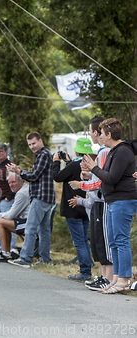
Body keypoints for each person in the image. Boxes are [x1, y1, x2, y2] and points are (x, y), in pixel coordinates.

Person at [81, 118, 137, 294]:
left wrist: (94, 168)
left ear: (109, 134)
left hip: (122, 200)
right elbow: (106, 175)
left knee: (121, 240)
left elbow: (112, 177)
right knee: (112, 241)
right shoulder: (114, 151)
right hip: (112, 200)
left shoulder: (122, 152)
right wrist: (93, 171)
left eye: (102, 133)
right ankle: (115, 278)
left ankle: (124, 280)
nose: (100, 137)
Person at [68, 116, 113, 291]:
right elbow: (97, 176)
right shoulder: (103, 152)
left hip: (101, 202)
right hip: (96, 202)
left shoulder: (103, 152)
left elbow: (100, 181)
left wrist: (80, 184)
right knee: (97, 243)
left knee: (104, 242)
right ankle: (103, 276)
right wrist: (88, 176)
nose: (96, 136)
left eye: (96, 133)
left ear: (98, 133)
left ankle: (107, 278)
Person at [7, 131, 56, 268]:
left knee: (31, 228)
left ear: (40, 141)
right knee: (44, 230)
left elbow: (34, 176)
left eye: (34, 143)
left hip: (40, 197)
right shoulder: (46, 154)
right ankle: (45, 259)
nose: (32, 147)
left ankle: (25, 258)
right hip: (48, 197)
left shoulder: (43, 155)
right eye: (29, 144)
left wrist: (19, 171)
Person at [52, 138, 92, 280]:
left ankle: (85, 271)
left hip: (72, 206)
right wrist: (68, 162)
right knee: (83, 239)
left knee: (79, 241)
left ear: (76, 150)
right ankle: (87, 267)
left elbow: (57, 177)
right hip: (85, 206)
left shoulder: (75, 164)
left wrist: (56, 162)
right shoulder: (90, 164)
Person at [0, 172, 30, 262]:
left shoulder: (22, 193)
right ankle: (6, 253)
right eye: (9, 183)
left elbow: (11, 215)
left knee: (0, 222)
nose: (11, 185)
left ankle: (5, 253)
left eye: (13, 182)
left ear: (21, 181)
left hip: (29, 224)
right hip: (26, 221)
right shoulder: (24, 189)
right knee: (4, 221)